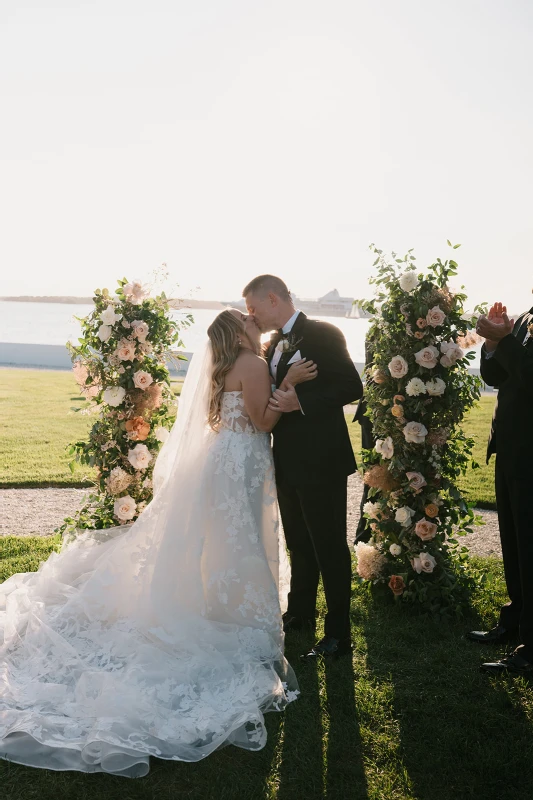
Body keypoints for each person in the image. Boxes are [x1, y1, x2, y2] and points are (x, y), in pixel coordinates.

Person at [0, 309, 315, 778]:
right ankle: (237, 616)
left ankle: (221, 606)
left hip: (222, 459)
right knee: (240, 543)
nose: (256, 322)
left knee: (224, 544)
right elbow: (261, 421)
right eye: (249, 319)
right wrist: (288, 386)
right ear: (238, 331)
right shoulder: (250, 363)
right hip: (242, 461)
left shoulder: (225, 364)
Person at [243, 275, 363, 661]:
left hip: (322, 460)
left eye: (254, 308)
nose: (252, 315)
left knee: (328, 546)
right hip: (287, 459)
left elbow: (351, 386)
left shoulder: (323, 333)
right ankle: (300, 613)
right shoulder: (275, 343)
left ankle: (339, 636)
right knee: (298, 542)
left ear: (273, 299)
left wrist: (303, 401)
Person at [467, 301, 533, 675]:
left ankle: (531, 650)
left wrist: (504, 340)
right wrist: (491, 342)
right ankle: (516, 620)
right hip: (510, 447)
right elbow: (495, 376)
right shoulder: (524, 317)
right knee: (513, 540)